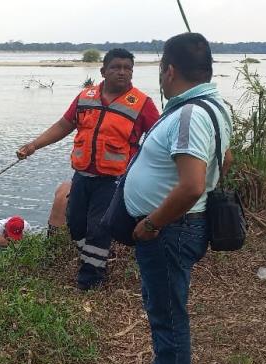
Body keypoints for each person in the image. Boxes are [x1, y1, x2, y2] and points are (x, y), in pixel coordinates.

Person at [122, 33, 233, 364]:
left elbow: (191, 186)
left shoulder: (189, 114)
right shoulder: (213, 105)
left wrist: (152, 223)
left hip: (170, 230)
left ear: (169, 71)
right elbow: (225, 159)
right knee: (162, 307)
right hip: (177, 228)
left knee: (169, 317)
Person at [16, 48, 159, 290]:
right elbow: (63, 125)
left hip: (114, 179)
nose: (122, 72)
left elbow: (159, 136)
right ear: (103, 71)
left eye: (128, 68)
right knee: (75, 225)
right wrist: (33, 146)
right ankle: (97, 259)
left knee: (99, 228)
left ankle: (90, 279)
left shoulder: (142, 104)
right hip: (82, 176)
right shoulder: (85, 97)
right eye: (116, 67)